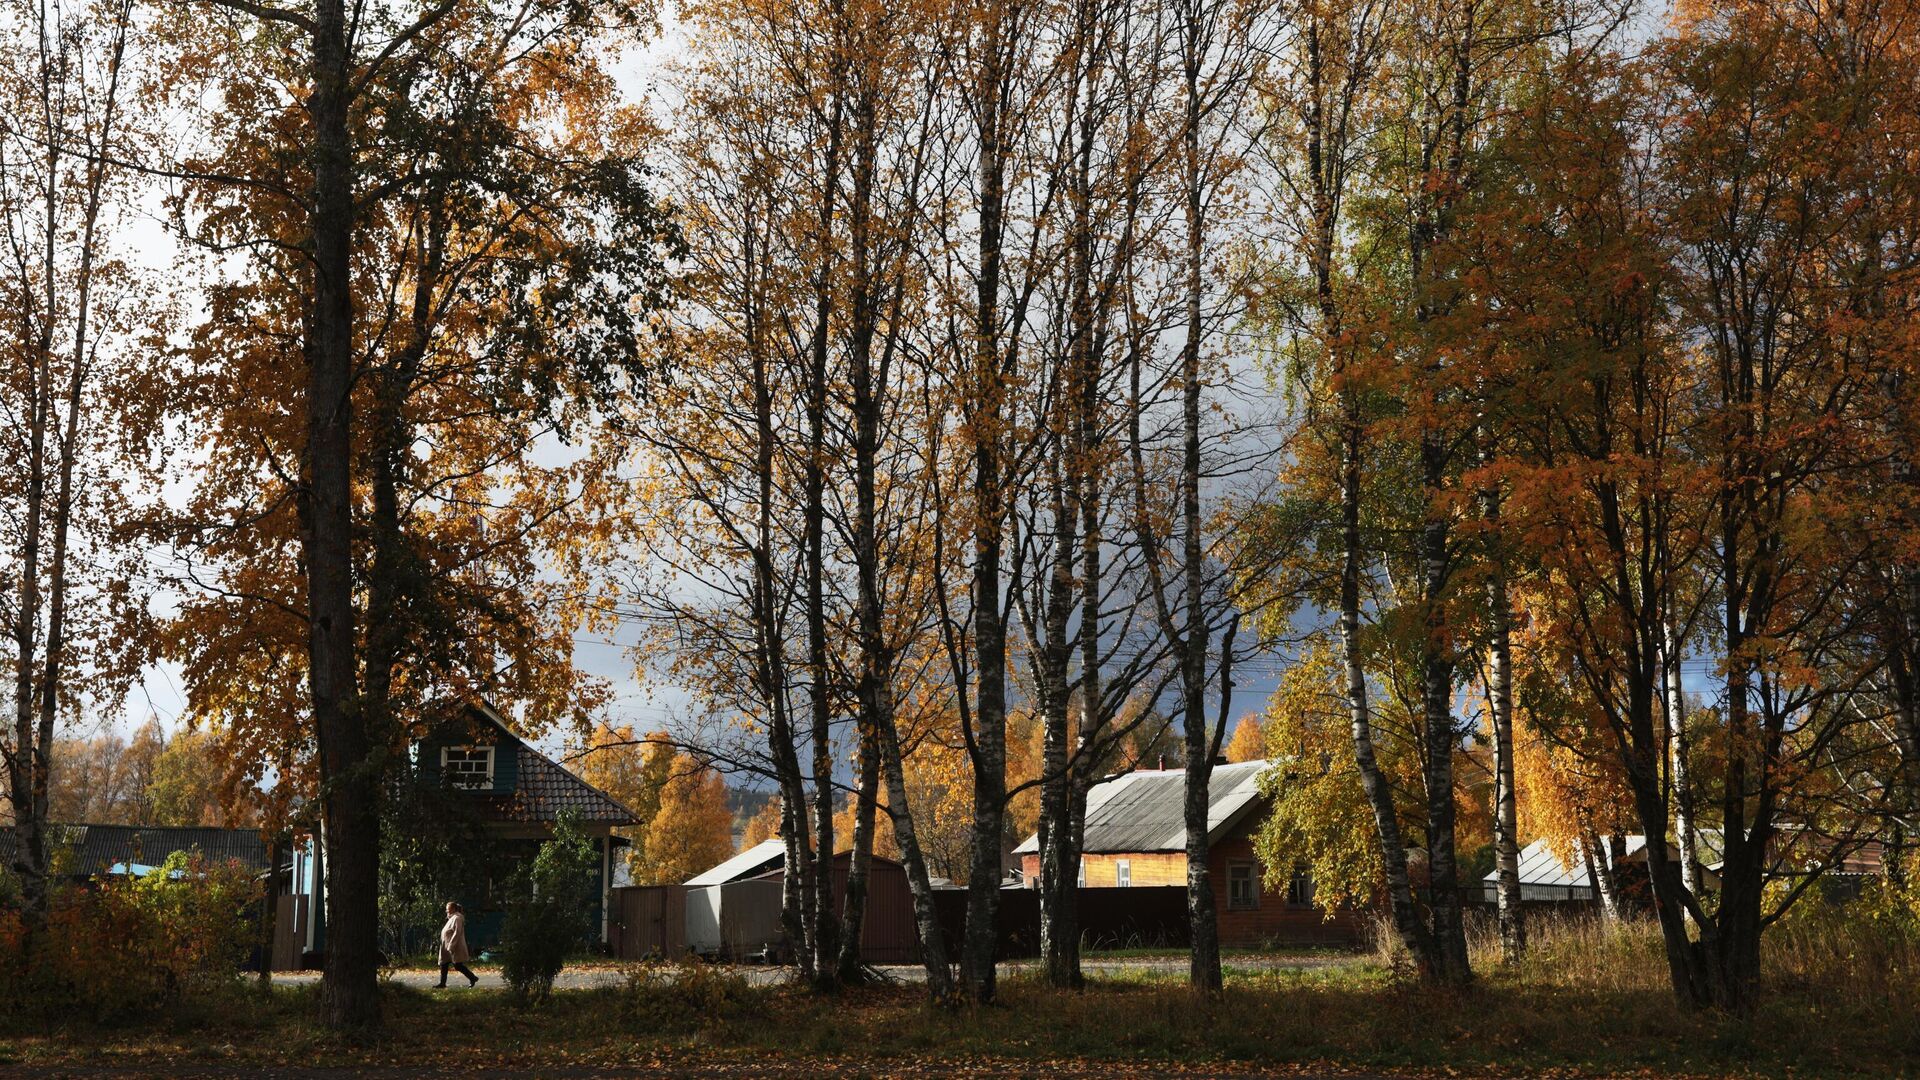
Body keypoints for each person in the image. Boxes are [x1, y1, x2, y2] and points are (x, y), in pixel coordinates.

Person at [437, 900, 479, 988]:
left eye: (447, 909)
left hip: (454, 946)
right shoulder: (452, 918)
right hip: (447, 946)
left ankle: (472, 978)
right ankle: (442, 983)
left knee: (458, 965)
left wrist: (451, 945)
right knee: (444, 965)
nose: (446, 911)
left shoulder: (457, 918)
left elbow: (457, 932)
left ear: (453, 909)